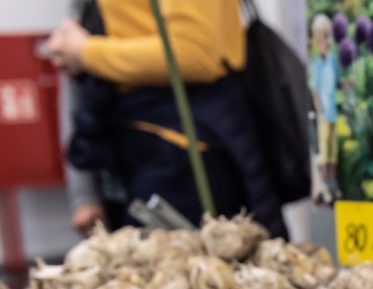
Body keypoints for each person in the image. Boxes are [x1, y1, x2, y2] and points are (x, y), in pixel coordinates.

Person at [44, 0, 286, 237]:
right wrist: (84, 191)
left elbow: (194, 53)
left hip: (183, 149)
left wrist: (87, 52)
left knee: (211, 269)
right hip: (136, 150)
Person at [309, 14, 341, 205]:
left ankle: (333, 183)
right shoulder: (317, 64)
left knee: (333, 152)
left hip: (333, 113)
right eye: (322, 38)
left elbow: (337, 82)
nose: (325, 41)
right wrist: (320, 110)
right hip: (323, 115)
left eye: (327, 36)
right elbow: (315, 90)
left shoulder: (332, 60)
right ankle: (325, 185)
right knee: (324, 153)